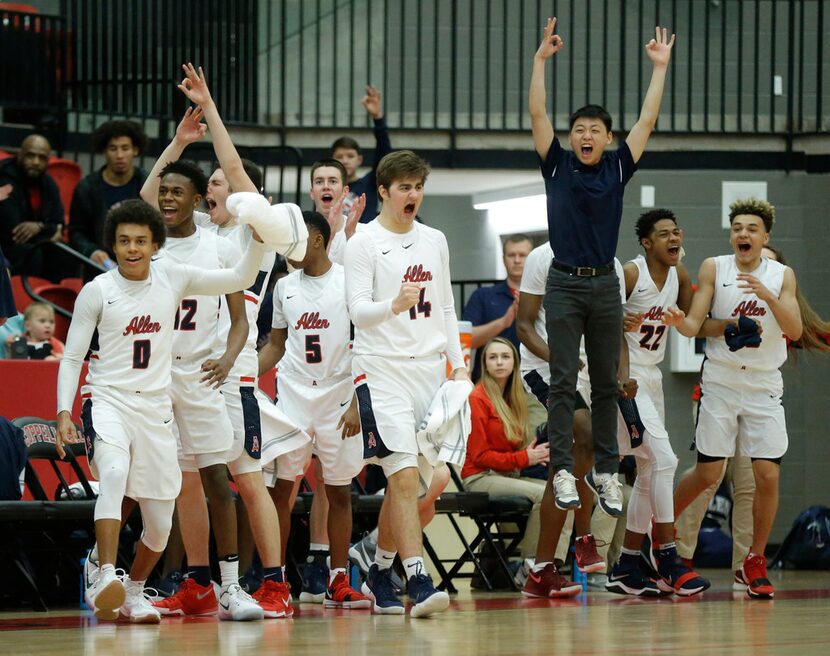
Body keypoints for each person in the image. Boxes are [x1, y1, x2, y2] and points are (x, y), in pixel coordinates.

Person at [55, 199, 265, 622]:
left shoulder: (173, 276)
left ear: (155, 245)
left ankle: (132, 591)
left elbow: (240, 276)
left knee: (160, 524)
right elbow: (73, 357)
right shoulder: (97, 291)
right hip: (108, 399)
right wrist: (63, 410)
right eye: (124, 241)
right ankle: (102, 575)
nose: (132, 248)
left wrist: (259, 239)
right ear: (113, 246)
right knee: (113, 473)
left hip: (155, 409)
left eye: (140, 241)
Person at [163, 63, 309, 618]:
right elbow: (157, 194)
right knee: (189, 483)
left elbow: (233, 170)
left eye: (221, 184)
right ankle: (200, 580)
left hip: (236, 372)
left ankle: (273, 581)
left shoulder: (254, 228)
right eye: (212, 188)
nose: (213, 190)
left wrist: (212, 109)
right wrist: (178, 142)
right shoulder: (194, 233)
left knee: (247, 480)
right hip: (192, 370)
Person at [529, 18, 675, 516]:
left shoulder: (616, 166)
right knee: (564, 379)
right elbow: (537, 113)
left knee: (609, 383)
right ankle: (565, 470)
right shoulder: (556, 164)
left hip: (605, 284)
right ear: (570, 138)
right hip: (564, 283)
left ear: (608, 137)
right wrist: (539, 63)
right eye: (579, 130)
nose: (585, 135)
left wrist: (659, 69)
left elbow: (648, 122)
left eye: (595, 130)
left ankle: (608, 472)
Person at [663, 198, 818, 599]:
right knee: (708, 475)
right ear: (731, 234)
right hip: (722, 383)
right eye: (737, 228)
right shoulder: (715, 266)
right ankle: (658, 534)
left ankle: (755, 560)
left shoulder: (782, 275)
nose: (743, 234)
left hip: (765, 386)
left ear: (765, 236)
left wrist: (768, 295)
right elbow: (696, 324)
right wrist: (682, 323)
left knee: (768, 476)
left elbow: (797, 331)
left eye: (751, 228)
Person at [344, 149, 468, 617]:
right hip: (381, 369)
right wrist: (393, 305)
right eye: (404, 187)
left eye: (418, 186)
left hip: (429, 370)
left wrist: (458, 366)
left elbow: (448, 307)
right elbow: (357, 310)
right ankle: (416, 577)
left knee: (420, 484)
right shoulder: (364, 243)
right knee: (403, 474)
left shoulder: (435, 239)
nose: (412, 194)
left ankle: (377, 565)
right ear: (383, 191)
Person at [140, 148, 262, 620]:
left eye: (177, 192)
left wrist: (228, 359)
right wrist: (176, 143)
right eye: (163, 192)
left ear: (196, 200)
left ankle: (229, 586)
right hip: (156, 378)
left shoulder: (220, 247)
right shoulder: (149, 245)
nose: (167, 199)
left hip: (202, 375)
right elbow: (143, 194)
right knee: (166, 483)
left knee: (216, 478)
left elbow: (240, 321)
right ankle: (180, 580)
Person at [258, 210, 370, 610]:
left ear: (318, 240)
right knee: (282, 491)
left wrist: (359, 401)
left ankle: (339, 579)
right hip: (293, 397)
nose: (289, 248)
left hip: (339, 396)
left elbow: (367, 346)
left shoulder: (349, 284)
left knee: (339, 491)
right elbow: (274, 345)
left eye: (295, 240)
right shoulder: (284, 287)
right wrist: (240, 374)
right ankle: (275, 579)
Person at [603, 209, 709, 597]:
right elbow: (602, 322)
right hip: (625, 378)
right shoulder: (631, 274)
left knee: (650, 469)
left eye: (675, 232)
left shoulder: (680, 275)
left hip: (653, 376)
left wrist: (680, 320)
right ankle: (667, 555)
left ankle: (629, 562)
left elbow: (687, 321)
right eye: (663, 234)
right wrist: (622, 373)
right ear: (647, 243)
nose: (673, 238)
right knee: (664, 461)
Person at [515, 242, 605, 581]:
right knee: (584, 432)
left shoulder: (606, 257)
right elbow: (523, 328)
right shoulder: (543, 257)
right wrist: (559, 357)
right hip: (545, 366)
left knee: (568, 464)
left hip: (585, 369)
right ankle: (583, 539)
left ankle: (542, 568)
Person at [461, 337, 549, 560]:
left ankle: (550, 562)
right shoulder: (477, 398)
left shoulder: (514, 398)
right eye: (493, 357)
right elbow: (480, 456)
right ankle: (530, 565)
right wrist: (523, 458)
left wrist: (527, 452)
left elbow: (509, 448)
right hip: (479, 477)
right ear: (485, 364)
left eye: (505, 357)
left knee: (558, 492)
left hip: (506, 474)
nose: (499, 362)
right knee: (544, 495)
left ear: (514, 363)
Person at [69, 120, 148, 275]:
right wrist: (92, 251)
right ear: (104, 151)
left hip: (142, 261)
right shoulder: (87, 187)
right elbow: (75, 232)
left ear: (135, 150)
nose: (119, 155)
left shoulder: (147, 183)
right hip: (101, 267)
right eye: (113, 148)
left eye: (125, 148)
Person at [462, 234, 533, 381]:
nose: (517, 260)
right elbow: (467, 341)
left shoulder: (546, 297)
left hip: (533, 384)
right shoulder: (482, 295)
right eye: (511, 255)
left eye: (523, 255)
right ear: (503, 259)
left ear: (532, 259)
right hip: (489, 385)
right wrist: (504, 322)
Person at [0, 135, 64, 278]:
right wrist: (50, 230)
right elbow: (13, 233)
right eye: (30, 156)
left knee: (65, 253)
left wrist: (39, 227)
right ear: (20, 155)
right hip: (6, 250)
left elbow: (59, 223)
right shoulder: (4, 179)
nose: (36, 162)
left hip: (34, 247)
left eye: (41, 157)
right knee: (34, 254)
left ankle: (60, 298)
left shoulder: (48, 184)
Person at [332, 85, 392, 222]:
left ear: (359, 160)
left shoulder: (369, 184)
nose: (345, 161)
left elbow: (385, 155)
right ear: (332, 161)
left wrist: (378, 118)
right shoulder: (327, 187)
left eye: (350, 156)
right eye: (340, 157)